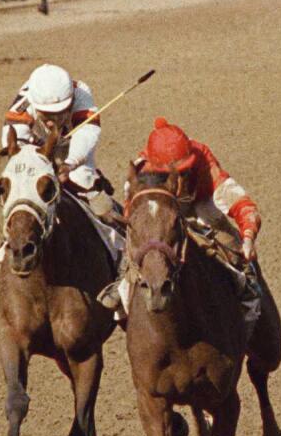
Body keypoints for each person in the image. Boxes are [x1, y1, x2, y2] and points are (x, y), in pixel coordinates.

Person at [101, 117, 262, 317]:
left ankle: (249, 288)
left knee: (231, 245)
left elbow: (240, 202)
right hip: (160, 213)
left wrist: (247, 237)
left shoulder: (203, 159)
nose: (181, 181)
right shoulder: (140, 172)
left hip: (200, 206)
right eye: (172, 175)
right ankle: (123, 282)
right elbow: (132, 221)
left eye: (186, 171)